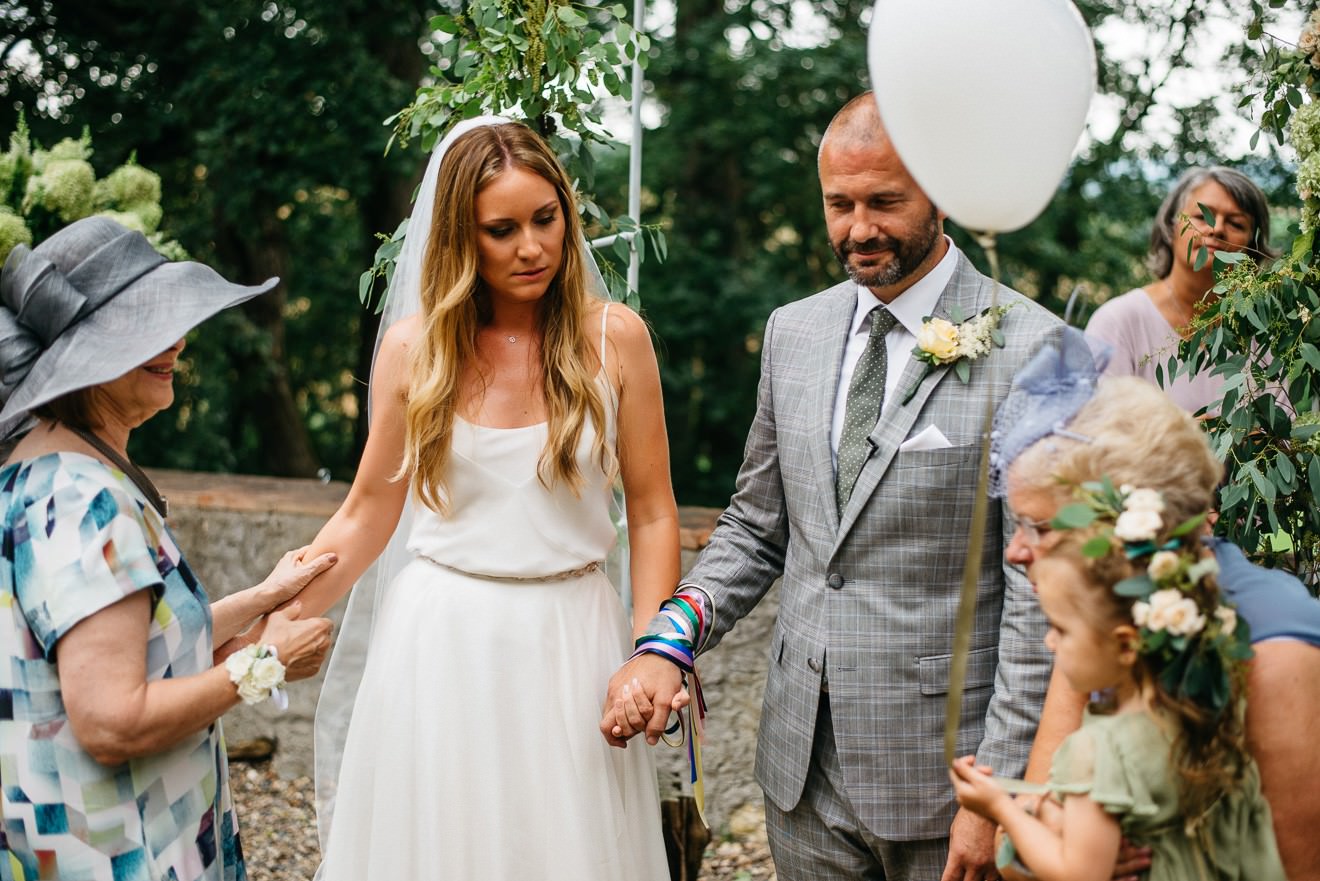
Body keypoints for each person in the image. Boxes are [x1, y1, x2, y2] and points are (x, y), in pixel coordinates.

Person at [603, 92, 1062, 881]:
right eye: (838, 204)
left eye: (884, 201)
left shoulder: (1035, 349)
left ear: (940, 192)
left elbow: (1039, 599)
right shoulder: (795, 332)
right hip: (801, 769)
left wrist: (1001, 794)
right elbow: (755, 527)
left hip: (946, 777)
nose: (858, 229)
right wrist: (669, 641)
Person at [284, 118, 675, 880]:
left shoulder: (615, 340)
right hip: (440, 643)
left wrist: (654, 650)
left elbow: (656, 509)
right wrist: (280, 606)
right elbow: (367, 513)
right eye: (501, 230)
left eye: (545, 218)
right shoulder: (414, 348)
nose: (531, 246)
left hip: (572, 637)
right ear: (461, 238)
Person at [0, 216, 336, 881]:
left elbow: (134, 645)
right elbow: (112, 720)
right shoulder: (82, 501)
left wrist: (262, 598)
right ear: (81, 360)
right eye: (142, 327)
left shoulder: (42, 468)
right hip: (121, 852)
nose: (177, 341)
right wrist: (264, 662)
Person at [991, 329, 1320, 881]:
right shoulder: (1106, 614)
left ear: (1124, 524)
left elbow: (1298, 865)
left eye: (1037, 526)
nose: (1015, 549)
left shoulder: (1273, 646)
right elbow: (1021, 830)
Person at [949, 481, 1286, 881]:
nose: (1049, 641)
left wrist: (1001, 807)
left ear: (1125, 643)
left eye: (1061, 628)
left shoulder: (1098, 748)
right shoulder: (1205, 715)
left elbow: (1078, 872)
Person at [1085, 166, 1277, 414]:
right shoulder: (1118, 322)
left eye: (1236, 223)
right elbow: (1097, 428)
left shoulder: (1266, 336)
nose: (1216, 228)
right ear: (1170, 226)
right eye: (1201, 216)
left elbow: (1284, 441)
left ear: (1252, 248)